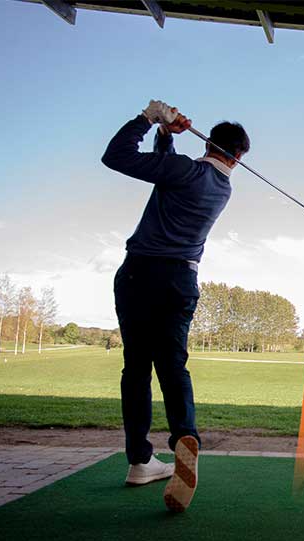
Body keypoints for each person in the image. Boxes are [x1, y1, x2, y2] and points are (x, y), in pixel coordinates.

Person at [101, 100, 250, 512]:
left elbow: (116, 157)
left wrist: (148, 119)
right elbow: (165, 173)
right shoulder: (220, 186)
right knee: (172, 365)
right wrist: (167, 137)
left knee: (136, 368)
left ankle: (138, 457)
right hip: (180, 280)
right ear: (237, 157)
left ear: (211, 145)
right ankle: (183, 437)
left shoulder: (188, 170)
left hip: (139, 274)